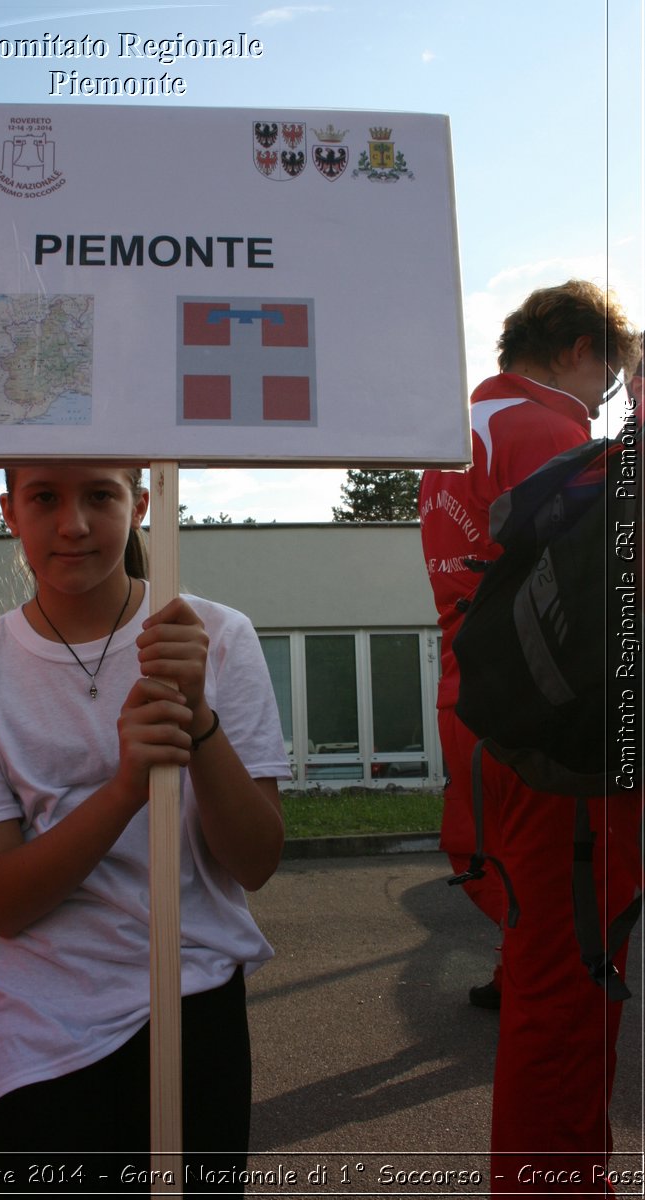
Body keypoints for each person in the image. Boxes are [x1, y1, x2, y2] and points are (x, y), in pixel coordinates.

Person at [0, 463, 289, 1195]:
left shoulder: (213, 636)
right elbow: (0, 898)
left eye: (100, 494)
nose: (74, 524)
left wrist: (201, 720)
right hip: (34, 1034)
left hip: (193, 1001)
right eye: (45, 498)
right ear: (9, 510)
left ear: (143, 500)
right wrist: (127, 787)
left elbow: (254, 860)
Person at [419, 280, 642, 1194]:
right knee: (565, 1002)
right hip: (558, 741)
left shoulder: (459, 426)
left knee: (541, 976)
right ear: (575, 349)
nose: (608, 397)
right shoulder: (548, 432)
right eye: (611, 373)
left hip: (483, 715)